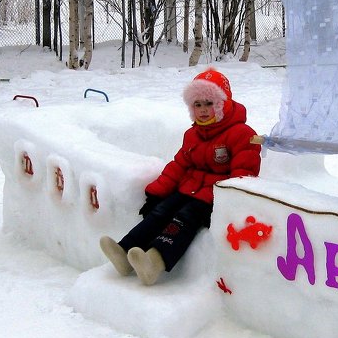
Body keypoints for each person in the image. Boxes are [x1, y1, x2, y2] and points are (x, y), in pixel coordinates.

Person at [100, 68, 261, 285]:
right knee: (160, 211)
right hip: (190, 189)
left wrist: (227, 204)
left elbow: (243, 176)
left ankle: (153, 263)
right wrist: (156, 192)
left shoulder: (242, 134)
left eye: (209, 103)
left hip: (213, 197)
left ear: (222, 103)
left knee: (183, 219)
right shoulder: (193, 134)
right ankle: (124, 251)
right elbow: (179, 165)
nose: (203, 110)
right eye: (197, 104)